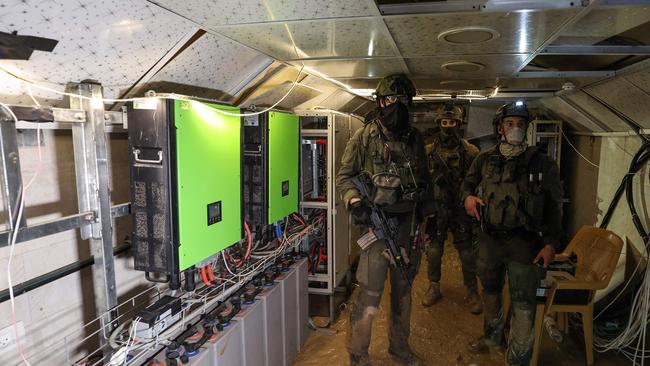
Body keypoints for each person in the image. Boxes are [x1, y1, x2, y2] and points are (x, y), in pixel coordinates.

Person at [336, 74, 430, 366]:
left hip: (407, 227)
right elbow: (344, 177)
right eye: (391, 100)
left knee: (404, 293)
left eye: (403, 101)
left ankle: (400, 349)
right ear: (380, 102)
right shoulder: (364, 137)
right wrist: (354, 201)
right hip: (377, 229)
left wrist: (430, 217)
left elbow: (425, 181)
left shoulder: (415, 139)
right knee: (370, 295)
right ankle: (358, 354)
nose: (397, 106)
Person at [461, 101, 563, 365]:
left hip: (525, 243)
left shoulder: (543, 164)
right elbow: (467, 186)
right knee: (491, 291)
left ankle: (518, 357)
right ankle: (492, 337)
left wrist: (551, 244)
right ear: (500, 128)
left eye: (520, 124)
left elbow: (554, 208)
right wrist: (468, 198)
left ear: (526, 128)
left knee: (523, 301)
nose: (515, 128)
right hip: (490, 241)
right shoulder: (484, 160)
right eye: (510, 124)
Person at [422, 104, 482, 315]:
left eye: (452, 122)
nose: (448, 126)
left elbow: (477, 182)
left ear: (459, 124)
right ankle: (434, 286)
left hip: (459, 208)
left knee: (467, 253)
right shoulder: (428, 152)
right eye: (444, 123)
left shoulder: (470, 151)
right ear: (439, 124)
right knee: (434, 250)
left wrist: (470, 198)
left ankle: (472, 290)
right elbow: (422, 182)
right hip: (437, 209)